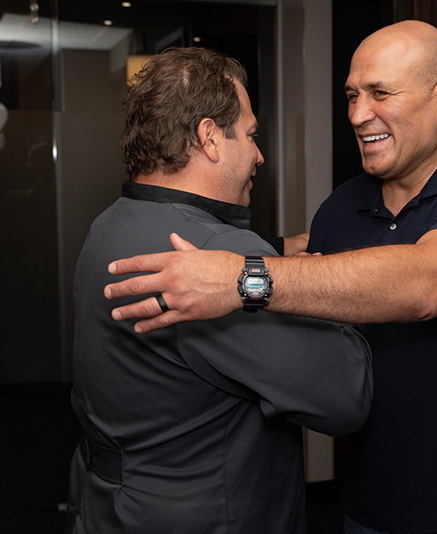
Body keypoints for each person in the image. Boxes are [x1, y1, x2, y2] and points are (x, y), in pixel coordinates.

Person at [103, 21, 437, 534]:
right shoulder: (343, 206)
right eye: (352, 95)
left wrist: (239, 278)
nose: (358, 115)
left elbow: (429, 281)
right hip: (377, 507)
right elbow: (320, 265)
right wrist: (206, 252)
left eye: (380, 93)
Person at [66, 47, 372, 534]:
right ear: (210, 138)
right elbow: (347, 393)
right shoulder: (219, 257)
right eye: (251, 136)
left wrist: (274, 249)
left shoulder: (108, 225)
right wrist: (316, 288)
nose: (259, 155)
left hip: (110, 507)